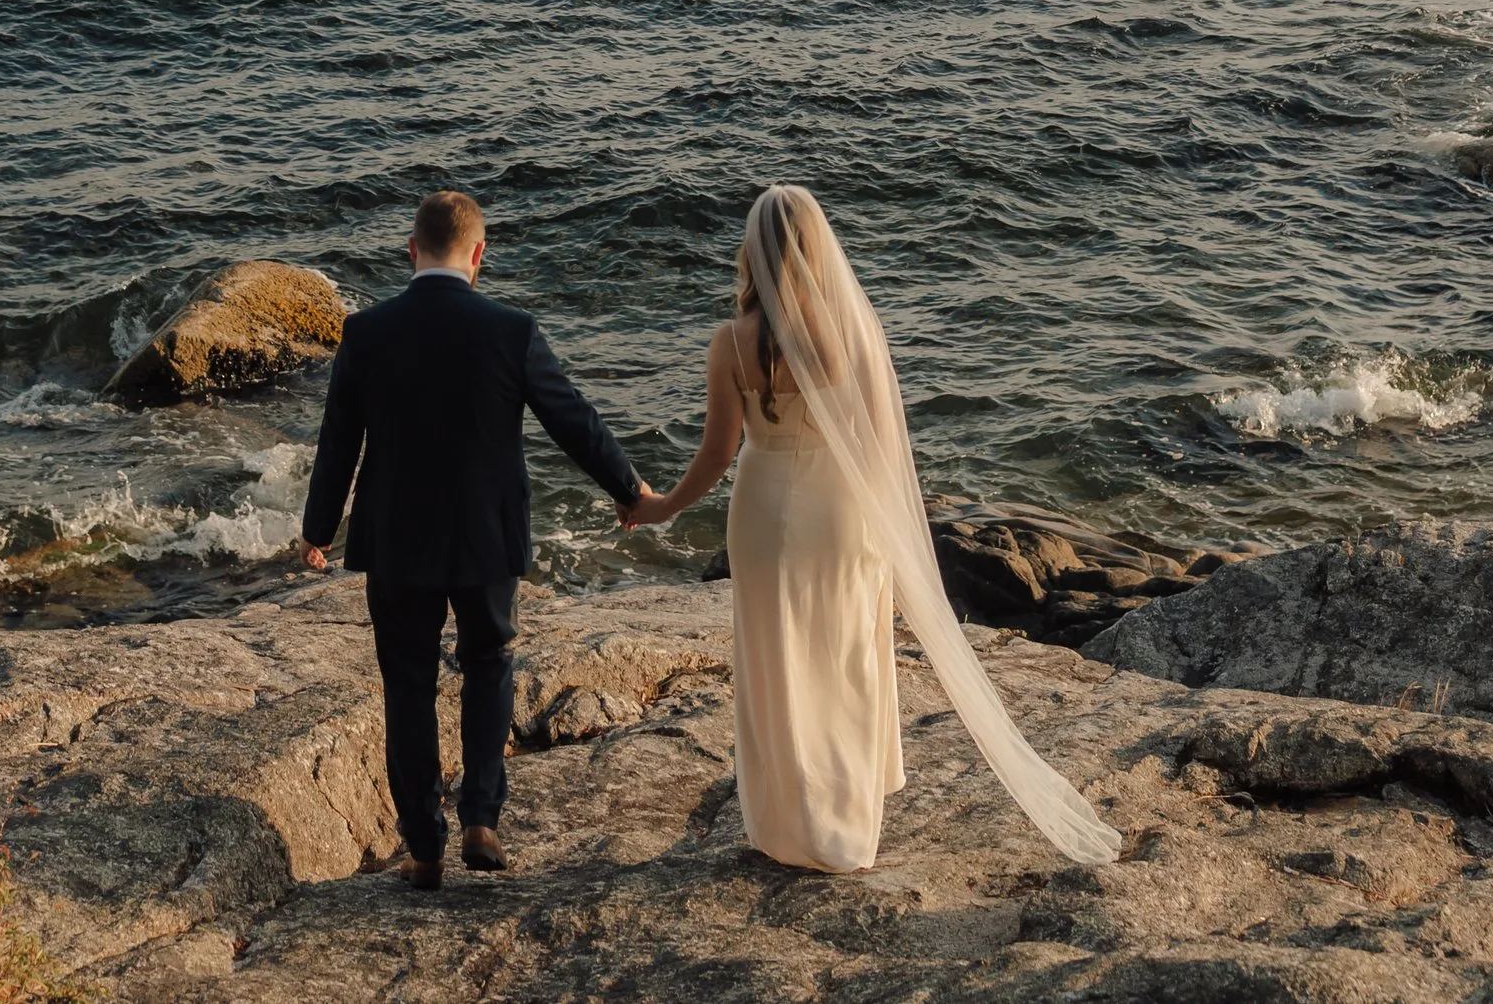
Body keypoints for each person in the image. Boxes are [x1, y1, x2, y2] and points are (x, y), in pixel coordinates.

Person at [627, 184, 1120, 876]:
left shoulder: (730, 343)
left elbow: (715, 455)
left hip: (764, 508)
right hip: (839, 508)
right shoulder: (845, 333)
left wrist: (659, 506)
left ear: (754, 251)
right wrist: (895, 528)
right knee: (848, 658)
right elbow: (884, 444)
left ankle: (785, 824)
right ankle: (846, 828)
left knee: (777, 663)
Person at [297, 188, 642, 892]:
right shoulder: (510, 331)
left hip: (395, 537)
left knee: (409, 686)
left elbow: (339, 444)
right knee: (489, 662)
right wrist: (628, 489)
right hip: (486, 531)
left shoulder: (366, 333)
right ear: (479, 255)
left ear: (410, 253)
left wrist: (316, 530)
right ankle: (481, 816)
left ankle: (424, 848)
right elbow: (572, 417)